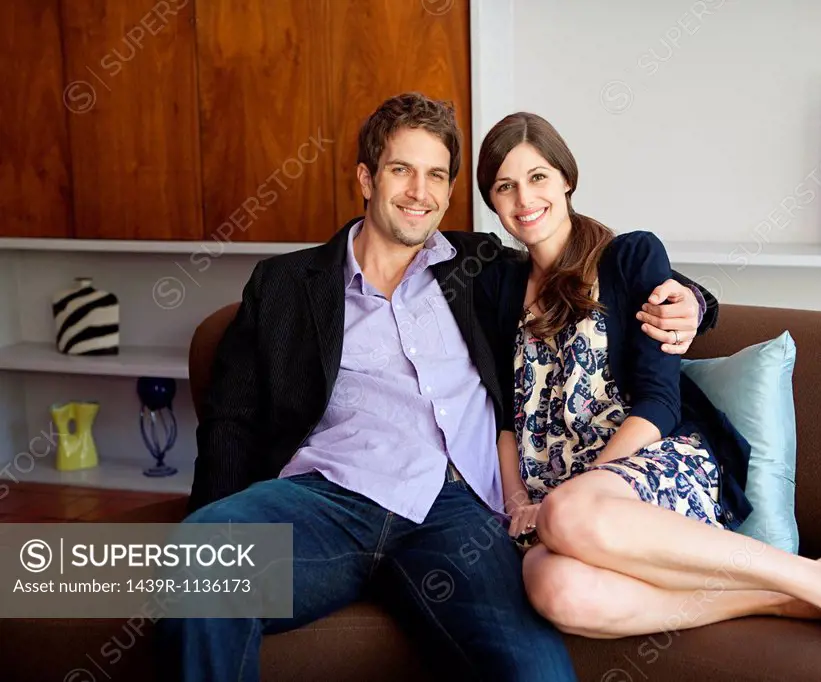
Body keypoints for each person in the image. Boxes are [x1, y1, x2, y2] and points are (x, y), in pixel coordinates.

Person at [155, 93, 715, 682]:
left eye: (436, 176)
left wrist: (695, 301)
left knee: (535, 672)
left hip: (459, 514)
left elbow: (607, 265)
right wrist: (210, 518)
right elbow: (231, 421)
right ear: (367, 178)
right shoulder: (286, 284)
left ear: (450, 193)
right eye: (401, 169)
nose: (419, 191)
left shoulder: (480, 268)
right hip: (329, 499)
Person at [473, 111, 821, 649]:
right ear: (492, 201)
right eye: (503, 186)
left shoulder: (630, 257)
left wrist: (576, 491)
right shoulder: (497, 285)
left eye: (537, 177)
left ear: (566, 178)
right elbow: (505, 416)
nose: (523, 198)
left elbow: (657, 403)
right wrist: (516, 501)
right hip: (552, 502)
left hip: (644, 469)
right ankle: (788, 599)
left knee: (570, 513)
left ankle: (813, 577)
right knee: (555, 589)